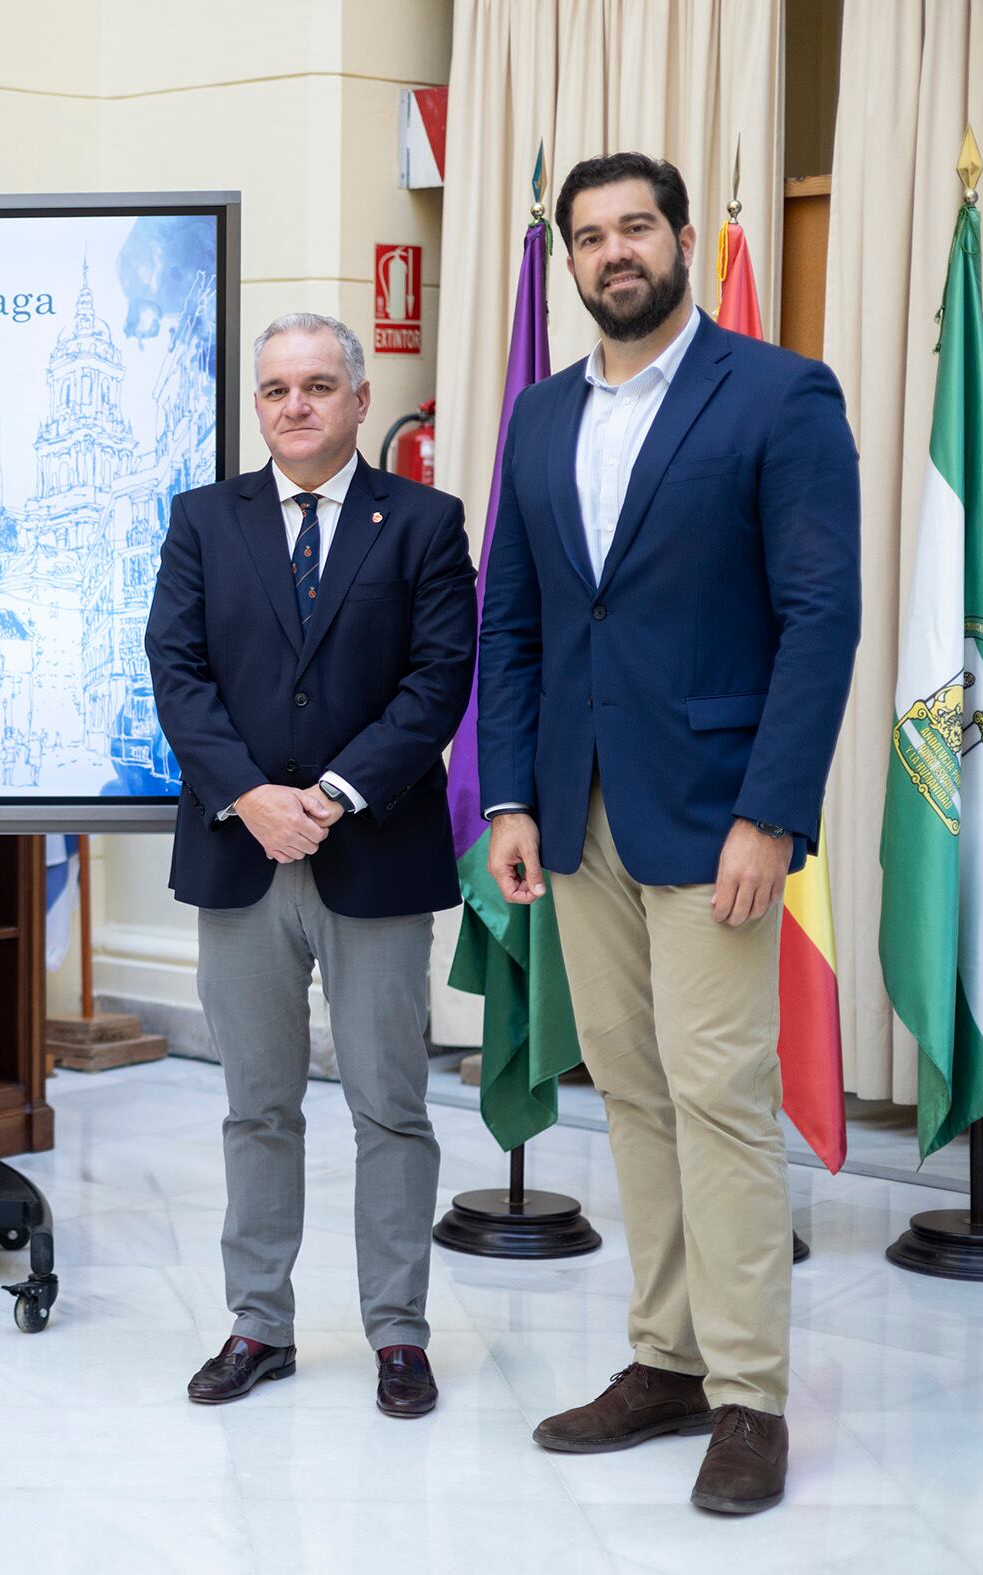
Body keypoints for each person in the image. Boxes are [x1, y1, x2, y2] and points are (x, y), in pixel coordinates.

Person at [475, 153, 860, 1514]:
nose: (612, 251)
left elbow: (819, 619)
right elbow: (511, 622)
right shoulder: (533, 416)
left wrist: (771, 810)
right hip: (572, 808)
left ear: (682, 239)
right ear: (569, 262)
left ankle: (748, 1392)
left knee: (718, 1094)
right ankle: (667, 1356)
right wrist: (507, 796)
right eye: (588, 236)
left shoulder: (775, 394)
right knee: (631, 1093)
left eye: (635, 226)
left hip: (714, 818)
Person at [147, 313, 475, 1418]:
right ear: (258, 404)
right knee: (256, 1106)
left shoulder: (424, 522)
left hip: (371, 852)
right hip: (240, 853)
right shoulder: (202, 521)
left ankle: (396, 1334)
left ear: (358, 400)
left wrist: (329, 796)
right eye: (277, 388)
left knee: (389, 1105)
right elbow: (176, 673)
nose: (296, 404)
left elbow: (437, 681)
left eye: (318, 385)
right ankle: (258, 1325)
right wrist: (250, 796)